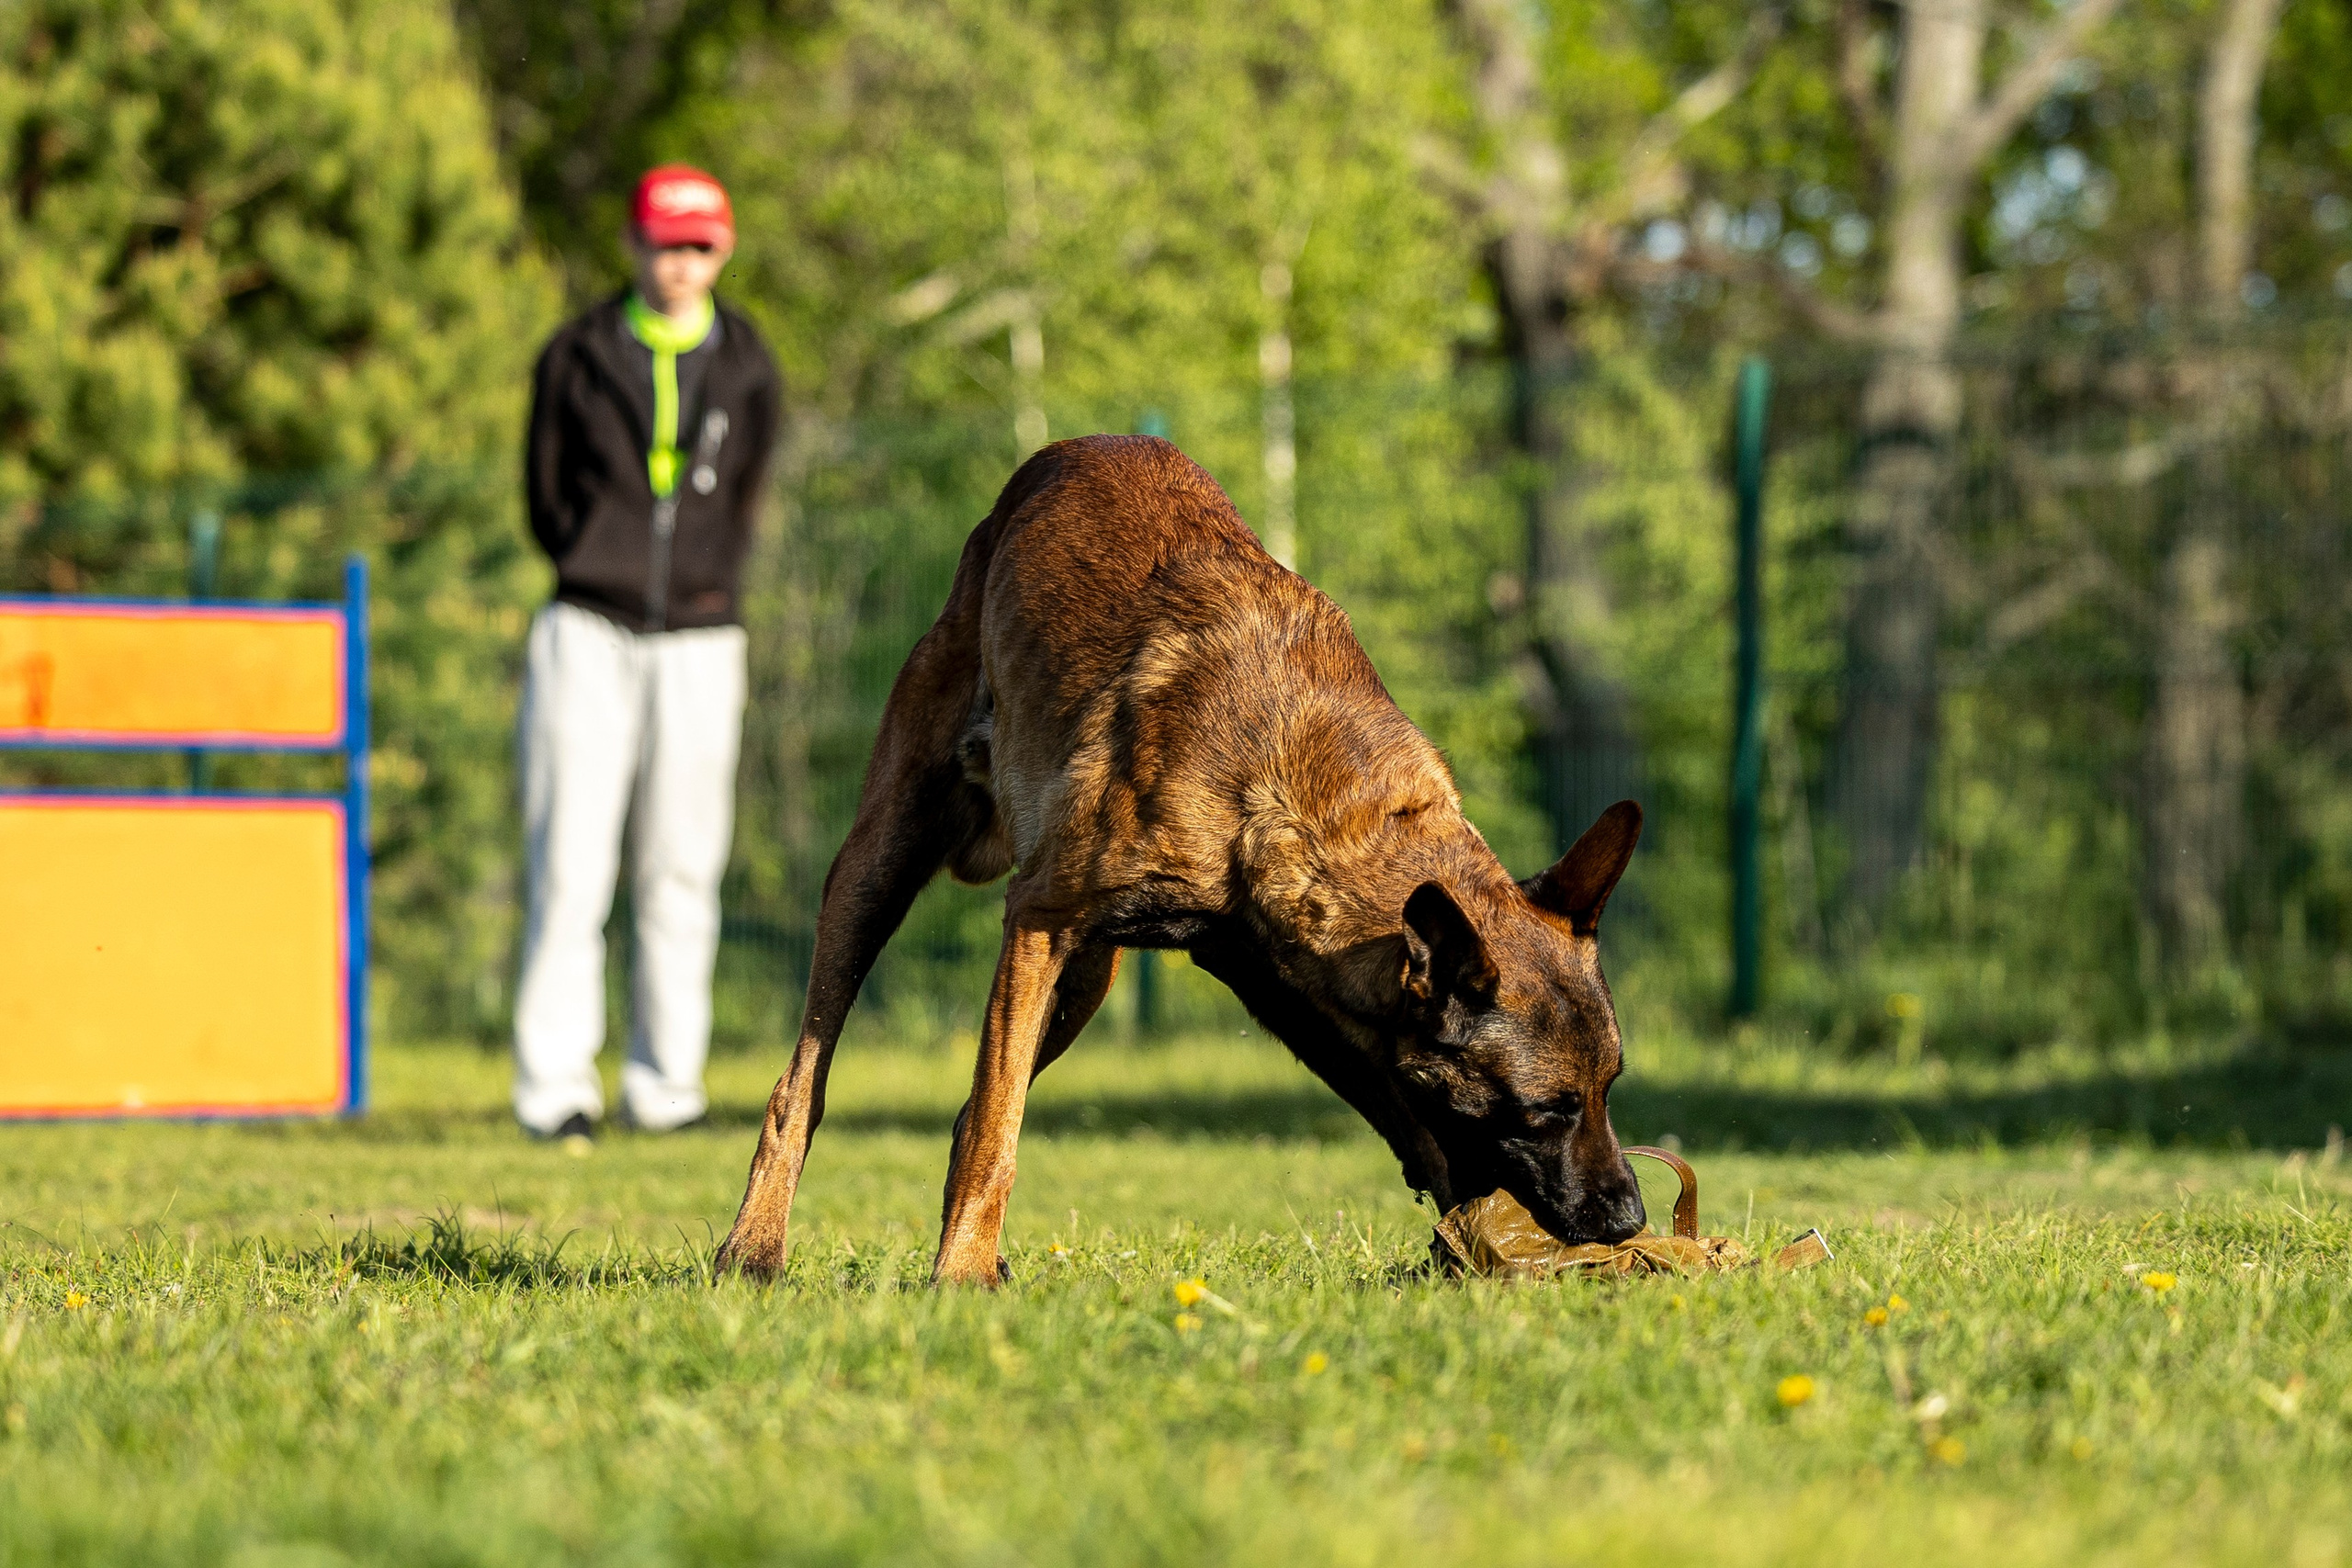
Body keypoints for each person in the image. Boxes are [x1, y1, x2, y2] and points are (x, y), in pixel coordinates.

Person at [512, 165, 782, 1139]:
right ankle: (556, 1093)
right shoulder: (576, 355)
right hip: (585, 628)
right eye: (666, 244)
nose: (682, 263)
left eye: (700, 245)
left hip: (703, 639)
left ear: (724, 251)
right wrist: (602, 565)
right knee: (569, 864)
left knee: (681, 866)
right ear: (632, 246)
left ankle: (667, 1090)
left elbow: (747, 491)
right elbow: (545, 496)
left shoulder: (749, 363)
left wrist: (702, 580)